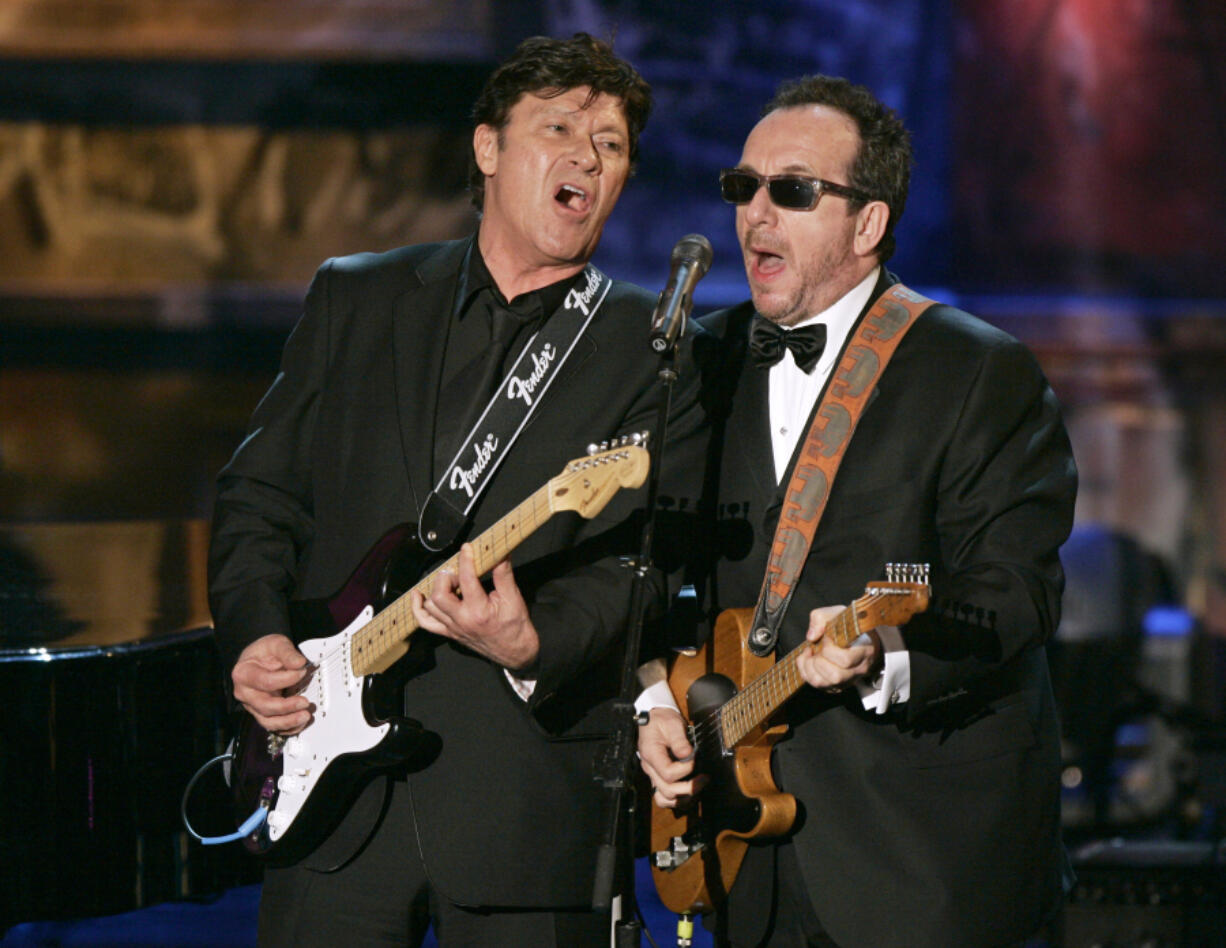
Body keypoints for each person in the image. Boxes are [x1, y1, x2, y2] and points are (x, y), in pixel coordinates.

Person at [208, 33, 702, 948]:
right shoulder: (357, 297)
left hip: (525, 811)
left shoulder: (654, 346)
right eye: (560, 126)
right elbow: (260, 494)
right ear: (488, 148)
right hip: (332, 811)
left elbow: (646, 561)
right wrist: (256, 633)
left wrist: (534, 642)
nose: (587, 156)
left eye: (613, 143)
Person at [637, 75, 1077, 948]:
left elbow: (1015, 590)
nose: (756, 214)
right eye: (743, 187)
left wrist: (887, 652)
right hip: (740, 854)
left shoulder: (981, 372)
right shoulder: (703, 361)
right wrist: (654, 698)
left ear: (868, 224)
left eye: (792, 191)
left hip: (921, 860)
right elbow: (648, 562)